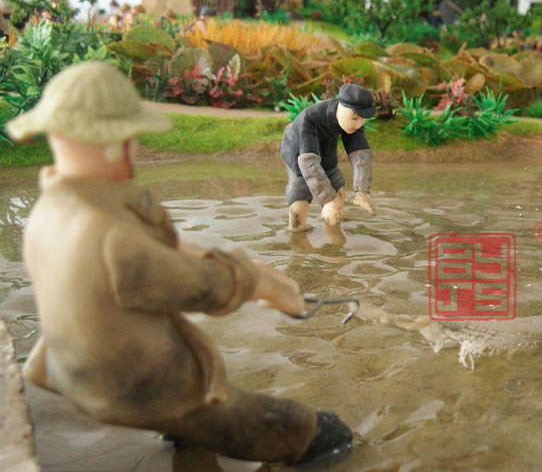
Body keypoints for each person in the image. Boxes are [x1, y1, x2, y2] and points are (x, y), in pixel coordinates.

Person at [7, 61, 353, 465]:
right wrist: (263, 284)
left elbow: (155, 249)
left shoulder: (50, 211)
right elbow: (203, 286)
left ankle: (183, 433)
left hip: (66, 367)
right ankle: (209, 423)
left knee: (185, 410)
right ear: (114, 143)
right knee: (308, 430)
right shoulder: (110, 234)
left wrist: (244, 265)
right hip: (125, 384)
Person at [281, 83, 376, 232]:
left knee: (337, 187)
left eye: (362, 119)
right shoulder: (309, 119)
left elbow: (361, 154)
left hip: (326, 149)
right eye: (354, 118)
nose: (359, 124)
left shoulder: (352, 119)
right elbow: (309, 164)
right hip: (298, 152)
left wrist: (362, 192)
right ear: (341, 108)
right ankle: (297, 233)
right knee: (300, 196)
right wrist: (327, 200)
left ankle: (333, 223)